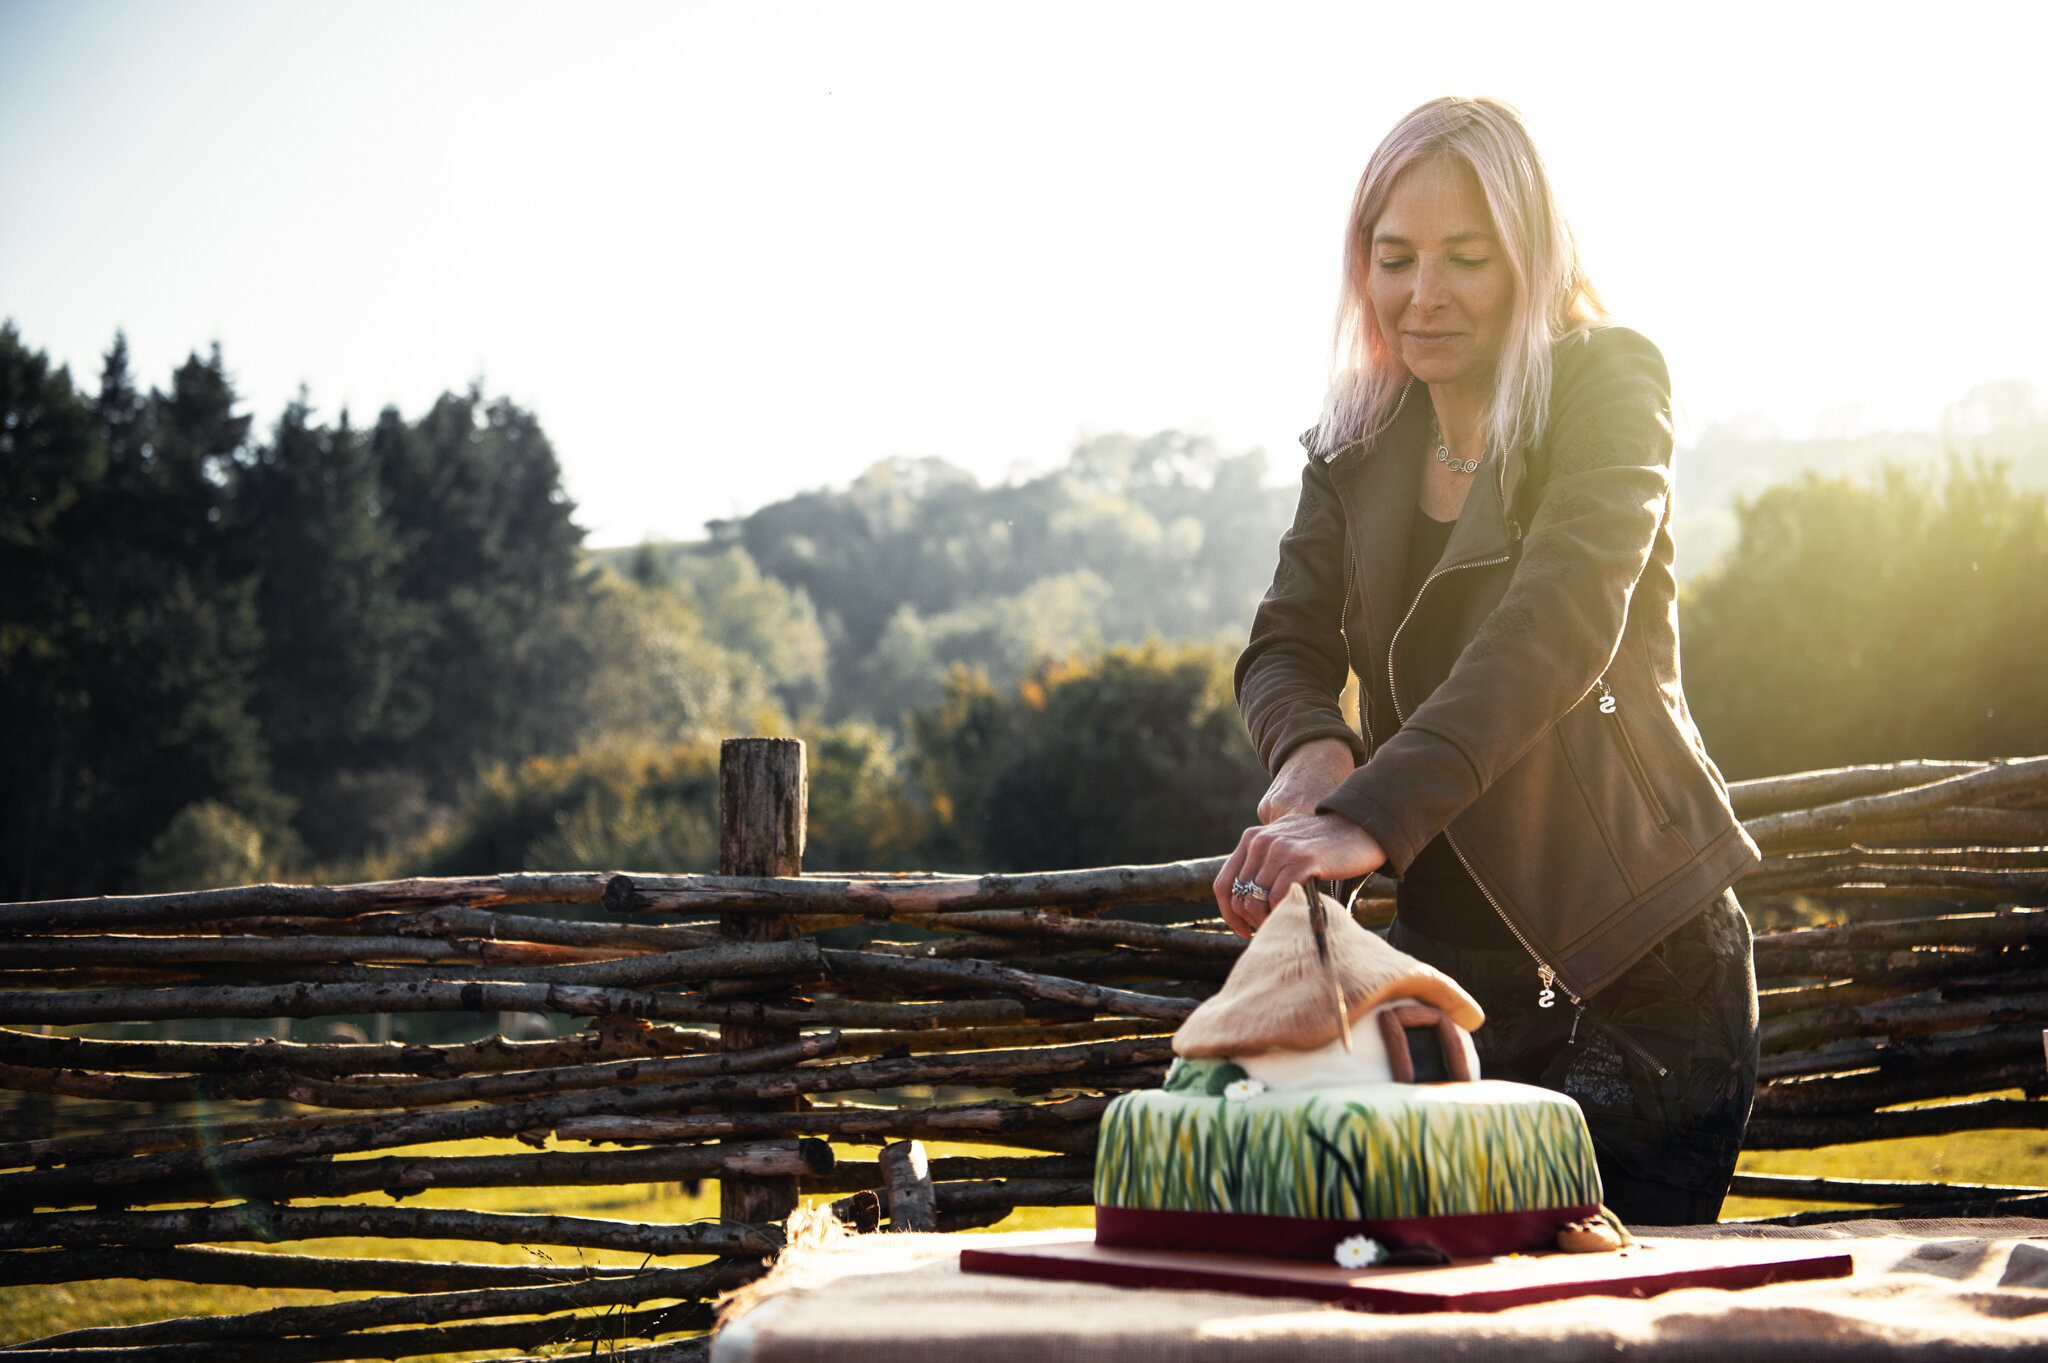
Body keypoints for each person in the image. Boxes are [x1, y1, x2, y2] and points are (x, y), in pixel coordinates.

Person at [1212, 96, 1761, 1225]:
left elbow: (1558, 619)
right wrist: (1313, 751)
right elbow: (1283, 642)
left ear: (1529, 259)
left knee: (1596, 1314)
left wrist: (1369, 813)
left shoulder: (1609, 380)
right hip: (1448, 983)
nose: (1424, 293)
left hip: (1639, 970)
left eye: (1465, 256)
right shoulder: (1357, 438)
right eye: (1394, 256)